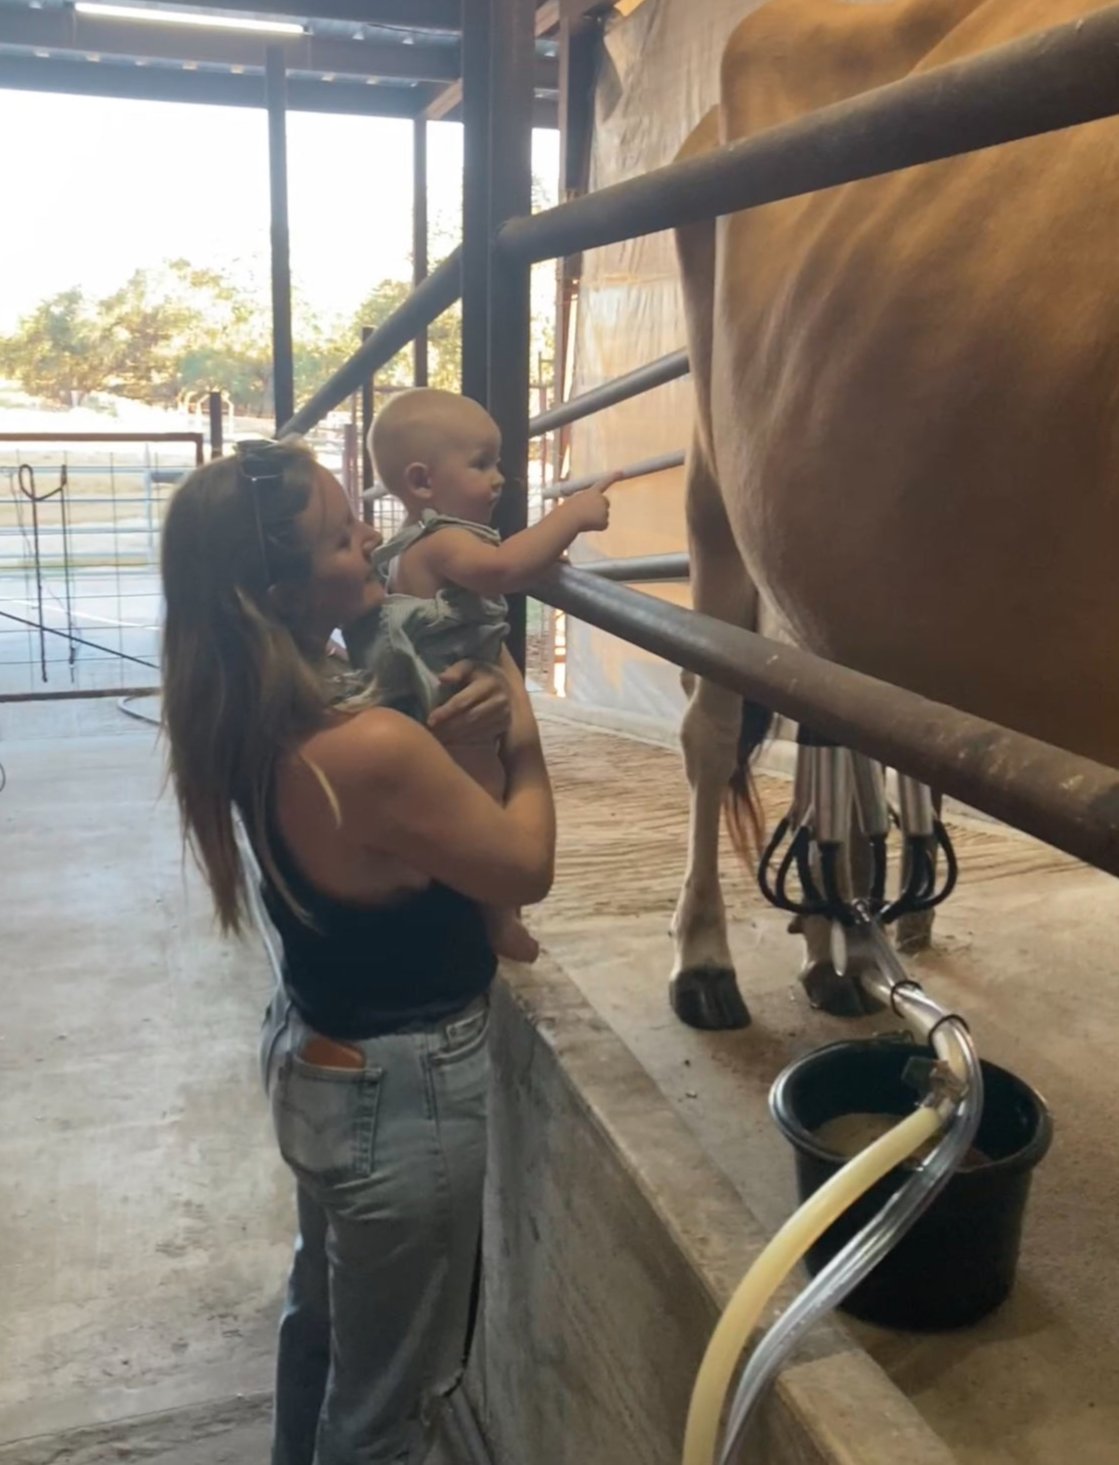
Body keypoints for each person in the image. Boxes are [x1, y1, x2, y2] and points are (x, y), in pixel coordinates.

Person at [160, 436, 556, 1465]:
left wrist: (443, 714)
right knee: (389, 1408)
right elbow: (521, 866)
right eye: (343, 536)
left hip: (317, 1057)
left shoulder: (250, 706)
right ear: (279, 592)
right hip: (404, 1088)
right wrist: (518, 726)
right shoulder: (363, 751)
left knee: (321, 1322)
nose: (372, 537)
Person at [342, 388, 615, 963]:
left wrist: (538, 554)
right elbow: (501, 570)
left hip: (443, 693)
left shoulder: (422, 542)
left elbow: (507, 562)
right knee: (485, 793)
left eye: (499, 464)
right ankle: (497, 914)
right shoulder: (444, 542)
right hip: (450, 700)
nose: (501, 479)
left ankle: (487, 906)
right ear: (422, 482)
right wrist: (570, 519)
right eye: (481, 464)